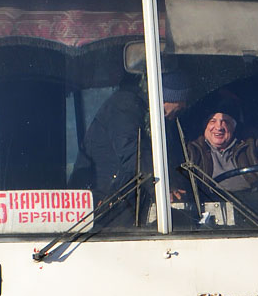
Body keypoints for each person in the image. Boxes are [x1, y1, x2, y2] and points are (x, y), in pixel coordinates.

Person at [79, 70, 189, 205]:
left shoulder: (159, 119)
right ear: (165, 98)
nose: (180, 111)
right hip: (106, 202)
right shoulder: (124, 107)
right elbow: (133, 151)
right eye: (178, 108)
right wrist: (162, 187)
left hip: (129, 198)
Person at [184, 108, 258, 192]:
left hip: (252, 202)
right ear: (205, 126)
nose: (219, 127)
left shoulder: (250, 145)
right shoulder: (192, 150)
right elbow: (177, 176)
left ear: (233, 127)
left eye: (225, 121)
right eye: (212, 121)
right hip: (209, 202)